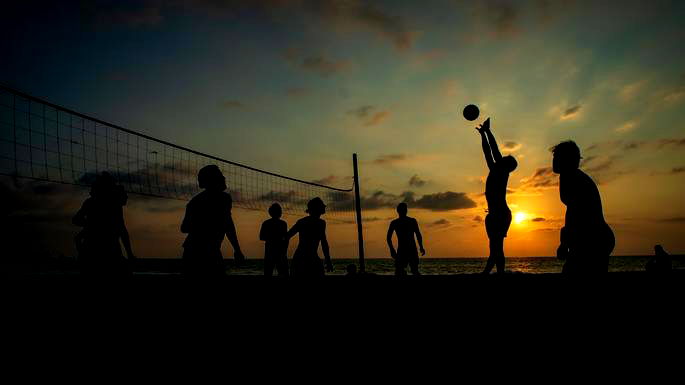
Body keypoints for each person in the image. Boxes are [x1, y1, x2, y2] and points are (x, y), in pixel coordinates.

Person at [552, 141, 615, 274]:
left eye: (557, 156)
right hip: (592, 238)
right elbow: (572, 211)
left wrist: (564, 243)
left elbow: (576, 214)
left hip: (594, 239)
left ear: (566, 159)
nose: (553, 160)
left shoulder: (575, 178)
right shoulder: (568, 177)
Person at [180, 165, 245, 278]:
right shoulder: (196, 203)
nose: (224, 177)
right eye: (220, 175)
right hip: (195, 252)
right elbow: (184, 228)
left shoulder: (224, 199)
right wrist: (207, 223)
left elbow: (228, 225)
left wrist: (237, 250)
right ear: (213, 180)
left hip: (210, 250)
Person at [475, 118, 517, 274]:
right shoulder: (494, 169)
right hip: (495, 214)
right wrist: (483, 134)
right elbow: (487, 151)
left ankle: (490, 272)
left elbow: (494, 149)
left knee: (496, 246)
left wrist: (488, 132)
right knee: (495, 246)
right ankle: (495, 272)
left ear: (506, 165)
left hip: (500, 214)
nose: (501, 157)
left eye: (504, 158)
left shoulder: (502, 171)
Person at [72, 172, 135, 276]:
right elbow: (122, 230)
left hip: (98, 251)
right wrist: (129, 254)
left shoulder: (94, 202)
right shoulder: (108, 204)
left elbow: (76, 221)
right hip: (101, 251)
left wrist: (90, 225)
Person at [286, 197, 333, 278]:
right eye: (322, 205)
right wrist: (328, 259)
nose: (324, 206)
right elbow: (324, 242)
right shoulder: (320, 223)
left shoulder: (302, 221)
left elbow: (287, 236)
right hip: (306, 258)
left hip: (302, 257)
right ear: (317, 208)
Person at [387, 202, 425, 276]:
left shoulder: (411, 221)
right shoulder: (395, 223)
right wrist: (392, 249)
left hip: (410, 249)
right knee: (400, 270)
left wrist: (421, 246)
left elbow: (418, 234)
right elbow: (388, 237)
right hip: (403, 250)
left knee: (413, 270)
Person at [259, 203, 289, 277]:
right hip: (276, 251)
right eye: (280, 211)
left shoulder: (266, 223)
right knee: (280, 272)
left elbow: (262, 237)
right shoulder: (282, 224)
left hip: (275, 251)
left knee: (270, 272)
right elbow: (261, 237)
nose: (281, 212)